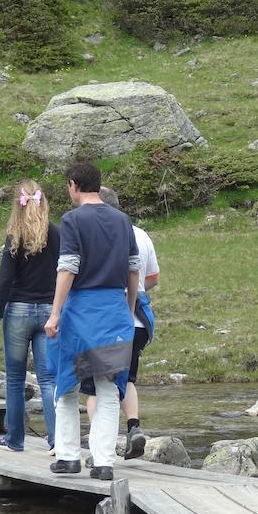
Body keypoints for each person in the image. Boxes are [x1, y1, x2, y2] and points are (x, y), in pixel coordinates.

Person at [45, 160, 139, 481]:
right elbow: (133, 267)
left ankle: (68, 456)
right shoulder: (122, 220)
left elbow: (68, 266)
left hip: (81, 312)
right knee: (109, 387)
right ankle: (104, 463)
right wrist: (128, 307)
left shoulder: (72, 220)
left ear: (74, 184)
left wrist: (55, 312)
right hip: (114, 311)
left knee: (67, 385)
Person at [82, 186, 158, 460]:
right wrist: (135, 290)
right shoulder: (141, 234)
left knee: (94, 384)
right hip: (136, 322)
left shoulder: (98, 231)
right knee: (127, 378)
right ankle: (133, 425)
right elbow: (153, 277)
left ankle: (100, 442)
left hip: (105, 318)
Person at [0, 179, 59, 452]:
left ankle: (15, 439)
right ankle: (56, 440)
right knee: (48, 379)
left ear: (18, 205)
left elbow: (5, 279)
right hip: (49, 311)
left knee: (15, 378)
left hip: (17, 310)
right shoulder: (56, 234)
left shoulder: (14, 236)